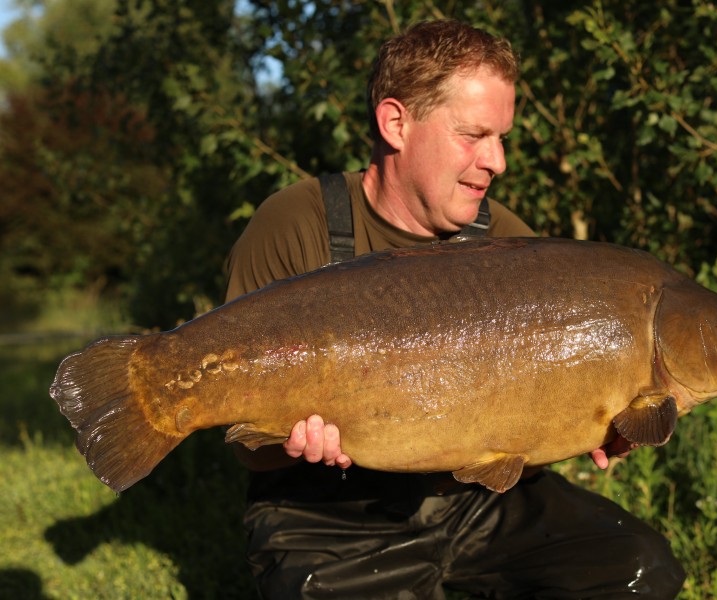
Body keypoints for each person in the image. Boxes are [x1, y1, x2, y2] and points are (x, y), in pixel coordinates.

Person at [225, 19, 686, 599]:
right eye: (474, 135)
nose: (497, 162)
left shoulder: (516, 247)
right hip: (329, 522)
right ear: (396, 123)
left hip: (476, 507)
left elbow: (522, 438)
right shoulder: (296, 226)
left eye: (503, 139)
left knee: (640, 569)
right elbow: (243, 444)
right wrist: (284, 444)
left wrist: (594, 424)